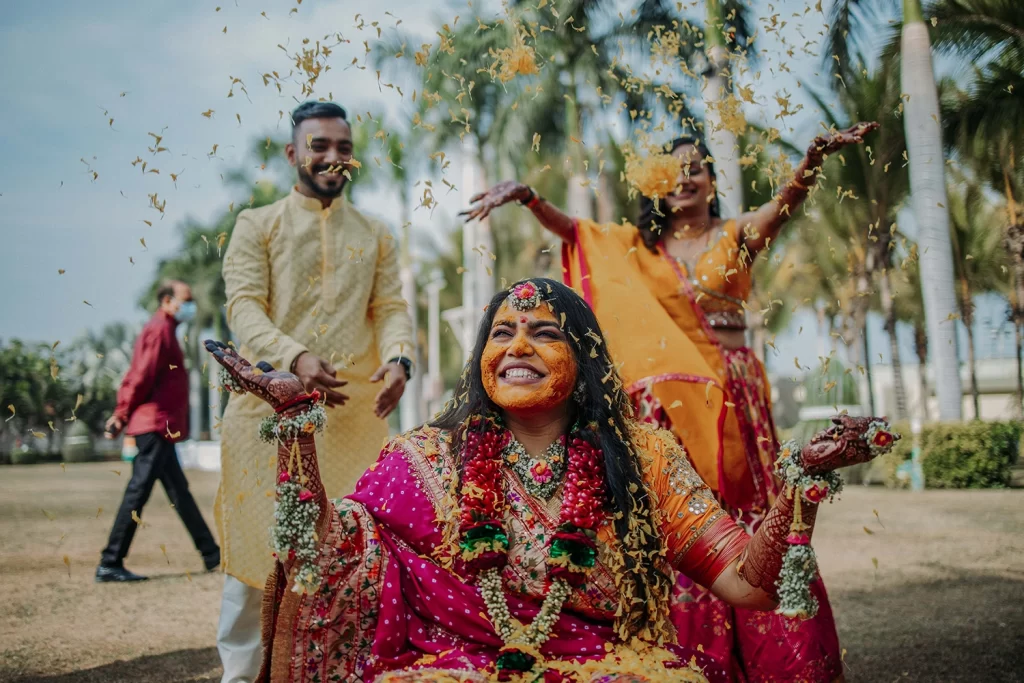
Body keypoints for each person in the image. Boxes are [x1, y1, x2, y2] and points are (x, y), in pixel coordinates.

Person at [204, 278, 898, 683]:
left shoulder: (644, 455)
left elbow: (747, 582)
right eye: (502, 332)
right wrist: (296, 427)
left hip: (613, 668)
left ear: (585, 358)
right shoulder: (426, 457)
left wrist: (797, 485)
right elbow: (329, 554)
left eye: (544, 332)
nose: (517, 348)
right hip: (458, 666)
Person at [460, 124, 877, 681]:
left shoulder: (735, 234)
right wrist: (531, 198)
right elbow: (578, 230)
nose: (684, 180)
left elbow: (781, 209)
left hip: (731, 392)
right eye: (672, 172)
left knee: (742, 504)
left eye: (695, 169)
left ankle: (774, 644)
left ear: (710, 181)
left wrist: (811, 160)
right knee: (680, 511)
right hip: (667, 402)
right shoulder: (640, 248)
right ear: (656, 186)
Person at [216, 100, 416, 682]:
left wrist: (400, 357)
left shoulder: (375, 233)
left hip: (353, 421)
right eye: (320, 145)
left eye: (344, 148)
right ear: (292, 153)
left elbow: (391, 308)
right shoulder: (259, 224)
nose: (333, 157)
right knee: (256, 564)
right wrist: (293, 357)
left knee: (353, 560)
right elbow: (243, 307)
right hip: (266, 419)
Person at [96, 279, 220, 583]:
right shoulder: (158, 330)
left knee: (180, 493)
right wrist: (121, 413)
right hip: (153, 425)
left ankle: (212, 555)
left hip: (163, 426)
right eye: (185, 300)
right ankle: (110, 562)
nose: (190, 306)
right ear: (166, 301)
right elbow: (140, 375)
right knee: (138, 492)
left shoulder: (166, 330)